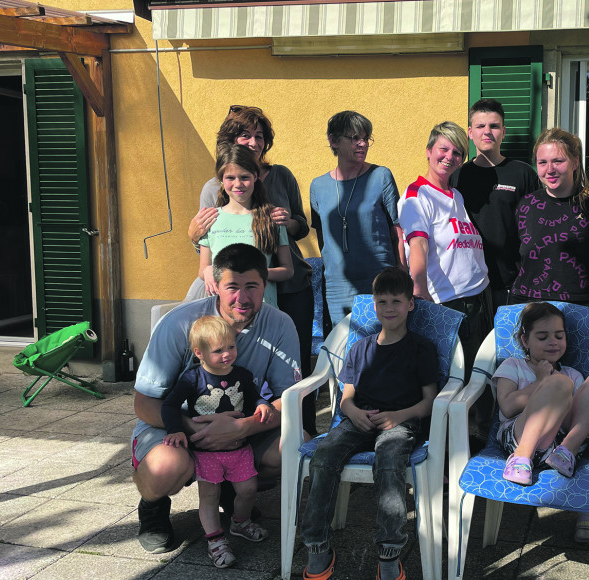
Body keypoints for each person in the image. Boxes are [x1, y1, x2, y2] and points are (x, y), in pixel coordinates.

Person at [131, 244, 303, 554]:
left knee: (295, 444)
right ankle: (153, 506)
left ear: (266, 284)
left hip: (241, 426)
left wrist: (244, 428)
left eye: (252, 286)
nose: (242, 297)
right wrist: (193, 429)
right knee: (165, 468)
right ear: (216, 287)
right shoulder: (179, 324)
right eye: (232, 287)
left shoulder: (280, 325)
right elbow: (144, 404)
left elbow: (289, 400)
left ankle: (227, 487)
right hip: (175, 425)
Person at [300, 267, 438, 580]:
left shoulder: (421, 348)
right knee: (323, 457)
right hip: (359, 419)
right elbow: (346, 399)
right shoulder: (360, 348)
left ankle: (389, 552)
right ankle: (317, 546)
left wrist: (398, 417)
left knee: (389, 464)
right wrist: (353, 413)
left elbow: (429, 401)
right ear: (374, 305)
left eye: (396, 301)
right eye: (382, 302)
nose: (389, 308)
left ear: (410, 305)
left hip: (401, 422)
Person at [187, 104, 316, 438]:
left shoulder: (282, 176)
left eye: (260, 136)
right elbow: (211, 249)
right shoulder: (212, 187)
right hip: (239, 294)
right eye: (246, 135)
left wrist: (286, 222)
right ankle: (245, 426)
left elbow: (300, 227)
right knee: (245, 357)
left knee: (294, 359)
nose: (254, 142)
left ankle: (302, 430)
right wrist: (192, 236)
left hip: (288, 285)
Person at [160, 315, 274, 568]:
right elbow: (169, 405)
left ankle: (239, 522)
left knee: (248, 489)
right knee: (209, 496)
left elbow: (255, 396)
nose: (227, 354)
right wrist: (176, 429)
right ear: (199, 353)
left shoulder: (242, 375)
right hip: (206, 452)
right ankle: (215, 541)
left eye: (231, 347)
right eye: (218, 350)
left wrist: (263, 404)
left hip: (239, 448)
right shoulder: (192, 379)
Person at [398, 122, 491, 382]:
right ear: (428, 151)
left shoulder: (456, 196)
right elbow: (417, 243)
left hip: (477, 298)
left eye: (457, 152)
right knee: (448, 382)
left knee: (477, 378)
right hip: (446, 303)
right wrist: (419, 290)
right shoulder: (417, 195)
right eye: (443, 149)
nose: (449, 157)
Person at [495, 302, 589, 486]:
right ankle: (522, 458)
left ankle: (568, 451)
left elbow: (581, 415)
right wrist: (541, 381)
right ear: (525, 341)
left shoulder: (572, 374)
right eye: (542, 337)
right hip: (518, 440)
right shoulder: (513, 365)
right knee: (559, 382)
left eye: (559, 336)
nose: (553, 342)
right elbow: (507, 408)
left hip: (560, 445)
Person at [310, 110, 405, 326]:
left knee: (382, 345)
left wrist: (403, 273)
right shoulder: (318, 186)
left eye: (365, 138)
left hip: (380, 281)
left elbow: (396, 229)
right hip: (337, 285)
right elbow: (322, 236)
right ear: (333, 140)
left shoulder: (381, 176)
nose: (362, 144)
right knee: (344, 349)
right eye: (354, 138)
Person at [451, 98, 539, 311]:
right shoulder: (457, 176)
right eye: (480, 126)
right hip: (468, 287)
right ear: (470, 133)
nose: (487, 131)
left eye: (494, 126)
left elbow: (537, 229)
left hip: (512, 286)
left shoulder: (523, 173)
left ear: (504, 131)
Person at [509, 128, 589, 306]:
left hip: (579, 305)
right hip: (527, 305)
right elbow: (512, 255)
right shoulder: (526, 205)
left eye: (558, 161)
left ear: (575, 163)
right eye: (542, 162)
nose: (550, 169)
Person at [199, 144, 292, 307]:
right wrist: (207, 271)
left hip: (262, 309)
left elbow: (287, 270)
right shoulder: (211, 218)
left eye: (244, 177)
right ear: (221, 179)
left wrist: (255, 274)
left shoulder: (271, 218)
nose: (238, 184)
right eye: (230, 178)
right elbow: (203, 269)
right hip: (222, 314)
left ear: (255, 177)